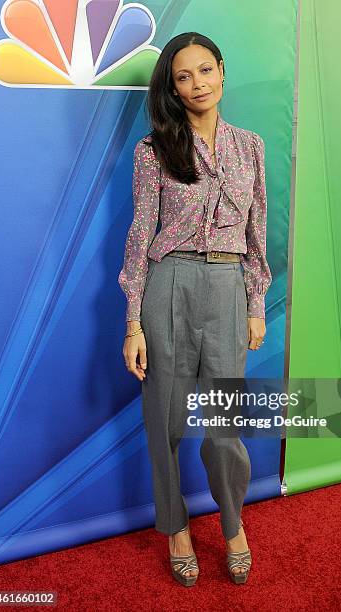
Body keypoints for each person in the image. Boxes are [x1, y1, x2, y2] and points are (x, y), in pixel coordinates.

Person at [118, 32, 272, 586]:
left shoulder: (250, 146)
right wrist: (133, 320)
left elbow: (258, 235)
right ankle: (176, 526)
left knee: (225, 424)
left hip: (229, 285)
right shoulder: (153, 150)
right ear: (174, 88)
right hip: (170, 283)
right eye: (184, 76)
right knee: (165, 420)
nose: (197, 83)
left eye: (205, 70)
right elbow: (140, 235)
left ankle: (233, 526)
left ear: (222, 72)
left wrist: (255, 303)